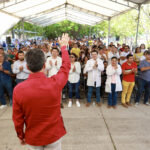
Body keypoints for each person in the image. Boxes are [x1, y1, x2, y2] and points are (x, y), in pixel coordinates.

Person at [12, 34, 71, 150]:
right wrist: (63, 47)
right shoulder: (55, 83)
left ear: (27, 67)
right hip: (54, 135)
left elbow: (17, 118)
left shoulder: (18, 90)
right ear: (44, 65)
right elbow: (66, 67)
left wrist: (21, 135)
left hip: (33, 137)